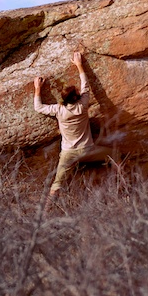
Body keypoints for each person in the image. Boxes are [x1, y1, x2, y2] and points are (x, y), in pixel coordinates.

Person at [33, 51, 97, 201]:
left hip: (69, 153)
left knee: (56, 184)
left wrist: (37, 88)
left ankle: (48, 210)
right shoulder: (83, 105)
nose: (80, 91)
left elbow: (39, 107)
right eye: (77, 92)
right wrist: (79, 65)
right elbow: (86, 85)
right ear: (77, 97)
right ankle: (123, 185)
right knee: (114, 155)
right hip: (88, 150)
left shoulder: (58, 110)